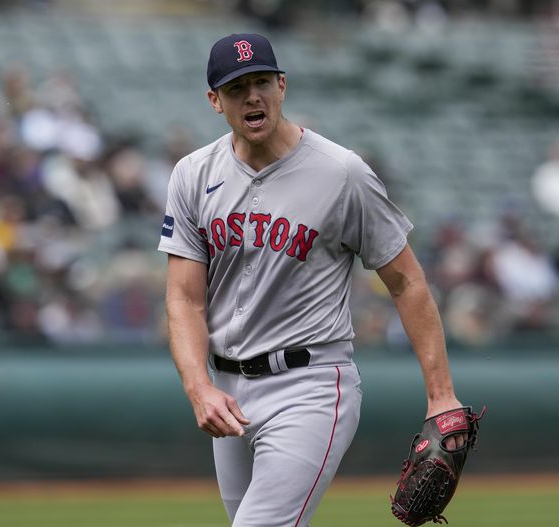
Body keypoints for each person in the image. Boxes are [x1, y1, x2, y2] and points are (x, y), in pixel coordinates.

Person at [158, 33, 466, 527]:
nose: (252, 96)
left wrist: (441, 393)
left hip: (310, 385)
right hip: (229, 389)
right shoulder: (193, 175)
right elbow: (184, 298)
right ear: (215, 101)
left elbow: (406, 280)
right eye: (237, 88)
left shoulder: (342, 173)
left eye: (262, 82)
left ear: (282, 86)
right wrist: (198, 388)